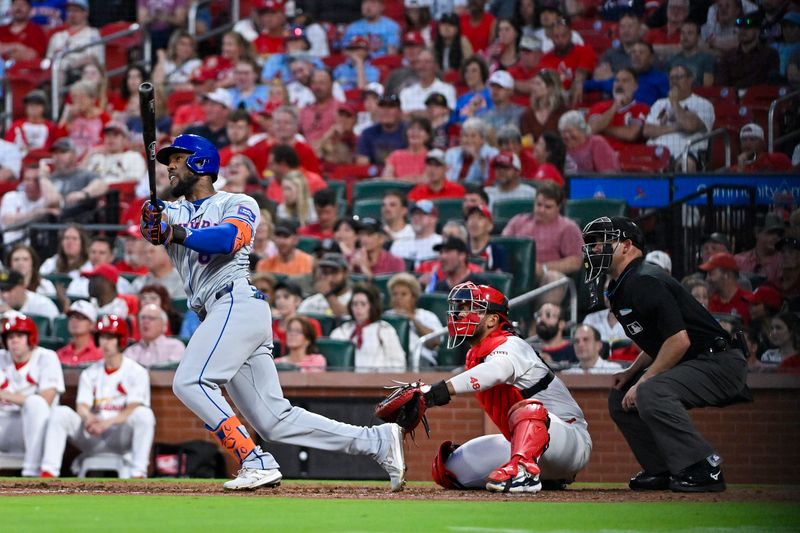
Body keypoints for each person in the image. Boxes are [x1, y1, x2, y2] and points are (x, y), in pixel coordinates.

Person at [139, 133, 406, 490]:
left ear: (201, 162)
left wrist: (172, 231)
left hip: (236, 303)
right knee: (274, 420)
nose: (170, 165)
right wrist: (152, 221)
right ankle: (376, 441)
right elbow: (153, 227)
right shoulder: (171, 210)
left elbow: (227, 240)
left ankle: (254, 460)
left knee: (189, 381)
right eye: (167, 160)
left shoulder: (239, 201)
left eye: (178, 158)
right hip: (220, 314)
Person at [582, 216, 750, 492]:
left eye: (602, 242)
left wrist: (645, 380)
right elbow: (661, 341)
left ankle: (703, 466)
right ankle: (661, 468)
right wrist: (631, 372)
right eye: (593, 244)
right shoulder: (625, 283)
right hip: (698, 361)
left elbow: (678, 340)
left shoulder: (645, 279)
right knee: (620, 396)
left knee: (650, 391)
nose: (595, 249)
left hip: (719, 362)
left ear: (626, 245)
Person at [395, 281, 591, 492]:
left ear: (492, 319)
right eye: (460, 308)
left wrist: (435, 392)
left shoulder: (511, 344)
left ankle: (525, 473)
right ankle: (540, 474)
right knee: (447, 470)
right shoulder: (476, 354)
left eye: (470, 309)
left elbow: (496, 372)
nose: (461, 314)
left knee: (528, 409)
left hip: (569, 439)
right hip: (525, 443)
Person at [39, 315, 156, 479]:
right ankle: (48, 472)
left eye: (110, 337)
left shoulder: (136, 372)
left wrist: (107, 423)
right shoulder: (90, 372)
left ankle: (139, 472)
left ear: (121, 340)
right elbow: (82, 406)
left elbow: (133, 407)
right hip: (93, 434)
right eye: (102, 337)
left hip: (120, 435)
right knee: (60, 413)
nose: (105, 342)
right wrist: (89, 418)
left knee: (144, 414)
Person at [0, 313, 64, 477]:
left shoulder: (46, 357)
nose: (14, 341)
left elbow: (46, 400)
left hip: (32, 428)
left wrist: (7, 396)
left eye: (20, 336)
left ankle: (32, 472)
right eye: (10, 336)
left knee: (35, 403)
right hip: (4, 424)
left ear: (31, 337)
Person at [502, 181, 583, 290]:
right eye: (538, 205)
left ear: (558, 207)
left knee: (554, 278)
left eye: (548, 207)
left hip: (547, 278)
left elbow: (575, 261)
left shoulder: (568, 227)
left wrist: (543, 268)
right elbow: (501, 246)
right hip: (515, 275)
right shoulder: (518, 221)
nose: (541, 210)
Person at [643, 64, 714, 172]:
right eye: (672, 78)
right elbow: (647, 130)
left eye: (679, 77)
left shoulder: (703, 104)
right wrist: (677, 126)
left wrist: (675, 103)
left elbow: (690, 126)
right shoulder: (659, 103)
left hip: (685, 154)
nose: (674, 81)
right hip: (656, 154)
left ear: (690, 80)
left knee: (686, 165)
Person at [330, 284, 406, 372]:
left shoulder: (385, 330)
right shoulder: (342, 331)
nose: (358, 308)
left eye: (363, 304)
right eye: (355, 304)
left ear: (372, 306)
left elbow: (399, 364)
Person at [385, 272, 442, 367]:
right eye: (394, 294)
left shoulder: (427, 316)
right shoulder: (386, 317)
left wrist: (412, 319)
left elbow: (435, 343)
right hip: (391, 361)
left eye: (403, 294)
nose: (398, 298)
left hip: (420, 360)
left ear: (413, 298)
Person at [586, 68, 650, 152]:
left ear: (635, 86)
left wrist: (602, 127)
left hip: (626, 156)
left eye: (625, 81)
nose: (619, 84)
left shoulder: (642, 108)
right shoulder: (599, 106)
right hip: (598, 154)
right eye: (616, 80)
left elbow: (631, 134)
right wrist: (615, 106)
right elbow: (593, 128)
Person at [538, 19, 596, 105]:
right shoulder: (545, 59)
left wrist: (578, 81)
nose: (560, 40)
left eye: (563, 35)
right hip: (557, 102)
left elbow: (582, 71)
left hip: (583, 99)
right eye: (556, 37)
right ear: (551, 38)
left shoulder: (585, 50)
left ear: (570, 35)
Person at [715, 12, 780, 88]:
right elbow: (722, 84)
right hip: (733, 97)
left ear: (757, 31)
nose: (742, 31)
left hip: (758, 97)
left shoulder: (769, 54)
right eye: (740, 28)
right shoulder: (728, 56)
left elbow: (772, 83)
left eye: (747, 28)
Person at [0, 162, 61, 243]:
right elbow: (7, 221)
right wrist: (38, 213)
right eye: (27, 179)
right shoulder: (12, 196)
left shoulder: (47, 198)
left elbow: (54, 201)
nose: (30, 183)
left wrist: (43, 177)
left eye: (36, 180)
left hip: (40, 247)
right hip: (11, 246)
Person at [45, 138, 108, 208]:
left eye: (63, 152)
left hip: (78, 215)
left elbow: (101, 185)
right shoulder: (50, 178)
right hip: (54, 215)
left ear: (74, 155)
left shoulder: (84, 174)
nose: (58, 156)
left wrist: (83, 194)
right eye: (55, 153)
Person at [699, 252, 753, 326]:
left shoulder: (749, 302)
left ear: (726, 275)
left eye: (711, 274)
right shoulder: (708, 302)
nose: (707, 278)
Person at [123, 304, 185, 368]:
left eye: (151, 318)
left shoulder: (175, 346)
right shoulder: (131, 351)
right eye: (143, 318)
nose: (145, 321)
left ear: (164, 325)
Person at [399, 49, 457, 115]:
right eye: (419, 62)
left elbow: (449, 113)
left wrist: (414, 114)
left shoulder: (447, 89)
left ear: (436, 66)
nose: (422, 66)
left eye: (427, 62)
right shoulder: (406, 92)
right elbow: (402, 117)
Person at [355, 93, 407, 166]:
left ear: (399, 112)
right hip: (375, 176)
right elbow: (362, 162)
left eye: (391, 106)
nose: (386, 111)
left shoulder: (409, 132)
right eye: (382, 107)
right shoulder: (368, 133)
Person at [297, 252, 353, 319]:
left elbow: (346, 319)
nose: (329, 278)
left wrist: (328, 294)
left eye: (334, 272)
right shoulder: (310, 302)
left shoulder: (355, 299)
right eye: (325, 272)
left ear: (345, 273)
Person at [445, 118, 498, 185]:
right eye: (465, 136)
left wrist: (476, 157)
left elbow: (488, 179)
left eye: (473, 136)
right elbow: (446, 177)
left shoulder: (492, 154)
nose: (468, 140)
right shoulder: (451, 153)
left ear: (482, 139)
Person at [389, 200, 443, 266]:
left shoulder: (442, 243)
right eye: (413, 214)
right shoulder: (399, 245)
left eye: (421, 214)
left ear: (433, 218)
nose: (416, 217)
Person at [519, 69, 566, 142]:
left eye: (538, 84)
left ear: (550, 88)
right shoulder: (528, 115)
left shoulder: (563, 111)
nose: (533, 88)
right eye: (533, 83)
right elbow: (527, 141)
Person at [382, 117, 433, 182]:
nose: (414, 132)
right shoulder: (395, 155)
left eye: (420, 129)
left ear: (428, 136)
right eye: (411, 128)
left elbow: (427, 180)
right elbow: (386, 178)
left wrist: (397, 180)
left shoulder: (431, 156)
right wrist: (413, 179)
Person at [667, 21, 716, 87]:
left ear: (698, 37)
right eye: (682, 33)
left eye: (690, 33)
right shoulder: (672, 59)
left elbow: (707, 88)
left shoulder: (707, 59)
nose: (685, 37)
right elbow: (666, 85)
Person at [56, 300, 103, 366]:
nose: (74, 320)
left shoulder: (101, 354)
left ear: (92, 324)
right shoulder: (60, 354)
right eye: (72, 317)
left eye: (80, 317)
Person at [530, 302, 576, 366]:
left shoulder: (575, 350)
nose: (541, 319)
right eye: (539, 315)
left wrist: (552, 365)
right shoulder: (531, 352)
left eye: (548, 315)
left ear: (561, 324)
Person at [454, 55, 492, 123]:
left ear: (482, 73)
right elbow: (455, 120)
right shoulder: (462, 99)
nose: (469, 74)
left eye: (474, 71)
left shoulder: (491, 96)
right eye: (466, 71)